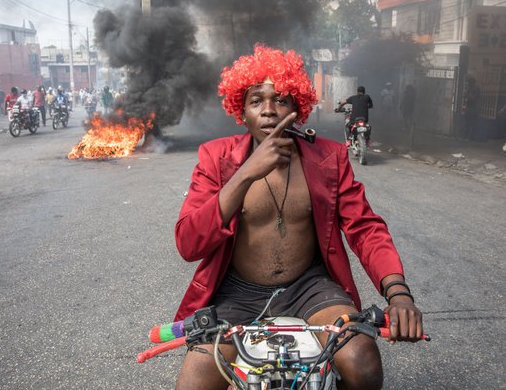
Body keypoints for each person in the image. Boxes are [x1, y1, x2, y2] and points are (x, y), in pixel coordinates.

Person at [174, 45, 423, 390]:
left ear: (298, 108)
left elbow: (365, 228)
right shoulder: (216, 158)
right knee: (194, 381)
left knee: (362, 362)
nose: (269, 111)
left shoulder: (328, 157)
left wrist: (399, 295)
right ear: (241, 112)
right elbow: (188, 243)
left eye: (282, 99)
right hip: (237, 292)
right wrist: (246, 174)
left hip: (309, 287)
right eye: (256, 101)